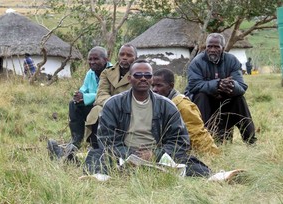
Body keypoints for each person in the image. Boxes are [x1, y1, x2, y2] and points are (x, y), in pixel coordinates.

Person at [81, 59, 243, 182]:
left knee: (186, 161)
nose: (143, 79)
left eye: (147, 76)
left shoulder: (167, 106)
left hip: (159, 156)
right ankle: (102, 178)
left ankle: (215, 177)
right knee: (96, 154)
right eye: (138, 75)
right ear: (130, 78)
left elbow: (180, 141)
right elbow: (106, 140)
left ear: (152, 79)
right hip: (124, 156)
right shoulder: (113, 104)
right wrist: (131, 154)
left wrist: (154, 154)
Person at [184, 33, 257, 145]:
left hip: (225, 98)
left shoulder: (231, 60)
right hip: (203, 102)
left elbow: (241, 86)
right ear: (206, 47)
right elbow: (193, 86)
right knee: (201, 95)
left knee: (239, 98)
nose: (212, 49)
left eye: (216, 47)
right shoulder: (197, 62)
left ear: (222, 48)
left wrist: (231, 85)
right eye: (209, 46)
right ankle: (204, 140)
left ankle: (251, 140)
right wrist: (217, 84)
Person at [47, 46, 112, 160]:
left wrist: (86, 97)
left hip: (104, 105)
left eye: (96, 59)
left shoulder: (111, 72)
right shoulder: (90, 73)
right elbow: (84, 88)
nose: (92, 62)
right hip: (92, 103)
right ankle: (76, 139)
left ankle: (95, 144)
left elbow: (106, 94)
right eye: (90, 59)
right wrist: (79, 95)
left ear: (106, 59)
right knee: (73, 104)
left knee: (97, 110)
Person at [152, 68, 220, 155]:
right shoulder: (160, 103)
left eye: (159, 85)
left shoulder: (182, 105)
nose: (154, 89)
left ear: (171, 86)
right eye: (153, 86)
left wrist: (211, 156)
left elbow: (197, 134)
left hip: (187, 153)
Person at [84, 43, 137, 148]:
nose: (124, 57)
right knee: (97, 110)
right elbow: (102, 93)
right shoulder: (107, 73)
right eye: (122, 54)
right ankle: (95, 146)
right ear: (118, 56)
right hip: (109, 106)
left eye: (129, 55)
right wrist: (114, 106)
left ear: (136, 58)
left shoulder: (140, 74)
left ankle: (120, 147)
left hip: (131, 108)